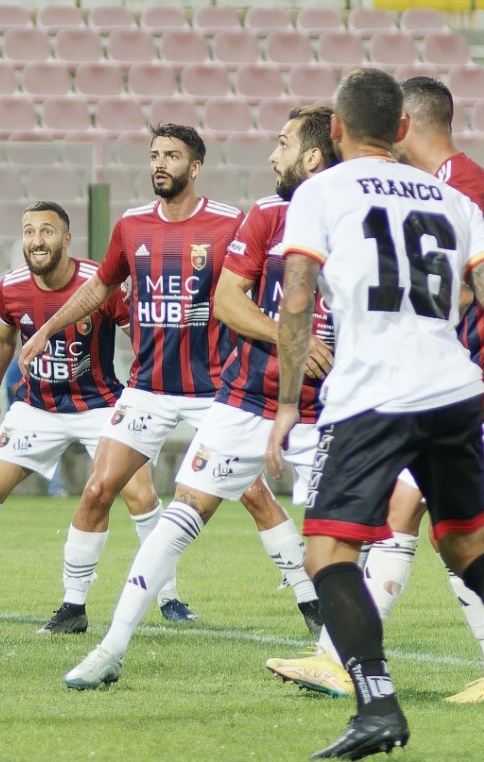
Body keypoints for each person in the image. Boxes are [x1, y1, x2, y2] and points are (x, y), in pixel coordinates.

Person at [266, 67, 484, 758]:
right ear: (403, 128)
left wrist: (290, 403)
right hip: (455, 390)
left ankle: (377, 705)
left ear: (339, 131)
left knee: (327, 551)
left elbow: (296, 301)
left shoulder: (322, 190)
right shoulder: (450, 198)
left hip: (373, 393)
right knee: (470, 546)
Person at [64, 107, 336, 690]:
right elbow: (228, 303)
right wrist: (292, 336)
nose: (271, 154)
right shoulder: (266, 214)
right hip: (240, 396)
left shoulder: (359, 215)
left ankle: (333, 653)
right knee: (183, 507)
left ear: (312, 156)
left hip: (330, 405)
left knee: (340, 531)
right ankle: (109, 647)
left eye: (282, 144)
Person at [23, 125, 288, 630]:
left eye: (171, 155)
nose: (159, 164)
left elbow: (249, 294)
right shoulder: (131, 225)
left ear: (196, 166)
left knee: (253, 493)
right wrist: (47, 330)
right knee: (99, 487)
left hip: (215, 387)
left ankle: (309, 600)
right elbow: (101, 287)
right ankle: (73, 607)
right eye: (153, 155)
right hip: (147, 388)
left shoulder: (229, 223)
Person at [0, 200, 164, 625]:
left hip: (101, 404)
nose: (37, 240)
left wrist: (149, 393)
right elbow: (3, 341)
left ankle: (170, 599)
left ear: (67, 239)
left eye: (47, 231)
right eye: (30, 232)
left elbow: (143, 334)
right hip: (36, 408)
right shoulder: (13, 286)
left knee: (141, 496)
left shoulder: (99, 282)